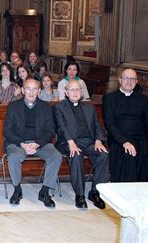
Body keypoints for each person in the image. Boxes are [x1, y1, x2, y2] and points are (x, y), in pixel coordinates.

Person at [3, 78, 62, 207]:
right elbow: (7, 131)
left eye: (34, 89)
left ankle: (45, 191)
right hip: (18, 143)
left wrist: (37, 143)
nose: (31, 92)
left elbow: (50, 131)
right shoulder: (13, 106)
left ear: (39, 91)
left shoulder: (46, 107)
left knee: (56, 156)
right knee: (13, 157)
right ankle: (17, 190)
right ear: (23, 90)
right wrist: (22, 144)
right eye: (28, 89)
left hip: (39, 143)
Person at [53, 79, 109, 209]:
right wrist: (71, 142)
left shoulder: (89, 107)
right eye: (72, 90)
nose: (75, 92)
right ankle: (80, 194)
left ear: (82, 92)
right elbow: (61, 127)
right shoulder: (59, 107)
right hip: (67, 142)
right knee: (76, 155)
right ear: (66, 93)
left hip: (89, 142)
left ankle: (95, 192)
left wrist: (99, 140)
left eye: (78, 89)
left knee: (104, 154)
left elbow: (97, 126)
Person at [102, 68, 148, 182]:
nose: (129, 81)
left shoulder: (142, 99)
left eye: (132, 79)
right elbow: (110, 125)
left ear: (136, 81)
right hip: (119, 140)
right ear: (120, 80)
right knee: (128, 154)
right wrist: (124, 142)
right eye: (126, 78)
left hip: (141, 139)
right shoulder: (110, 98)